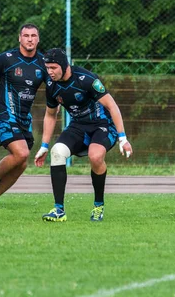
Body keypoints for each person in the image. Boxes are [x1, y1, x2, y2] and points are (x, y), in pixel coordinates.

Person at [34, 48, 133, 222]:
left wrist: (122, 138)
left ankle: (98, 205)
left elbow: (112, 106)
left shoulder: (86, 79)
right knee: (57, 152)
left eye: (53, 68)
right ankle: (59, 210)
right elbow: (51, 114)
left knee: (95, 157)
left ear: (64, 65)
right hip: (78, 126)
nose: (50, 72)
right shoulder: (51, 85)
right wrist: (44, 146)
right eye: (47, 68)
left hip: (102, 125)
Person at [0, 24, 48, 208]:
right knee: (22, 153)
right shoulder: (6, 59)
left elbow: (56, 85)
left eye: (33, 35)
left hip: (24, 119)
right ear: (19, 38)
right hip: (4, 114)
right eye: (26, 35)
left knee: (21, 163)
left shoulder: (43, 63)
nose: (30, 39)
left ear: (38, 39)